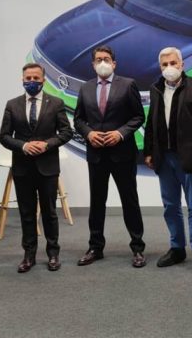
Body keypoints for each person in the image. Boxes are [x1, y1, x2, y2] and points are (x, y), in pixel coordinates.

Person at [143, 47, 192, 273]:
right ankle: (177, 248)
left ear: (182, 64)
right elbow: (151, 122)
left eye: (173, 63)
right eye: (164, 64)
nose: (169, 68)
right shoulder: (156, 89)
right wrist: (148, 151)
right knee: (170, 206)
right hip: (163, 157)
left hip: (190, 156)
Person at [73, 45, 147, 268]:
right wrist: (89, 133)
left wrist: (120, 133)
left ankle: (137, 247)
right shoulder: (85, 88)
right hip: (96, 155)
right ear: (93, 64)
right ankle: (95, 247)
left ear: (114, 63)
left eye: (106, 59)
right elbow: (78, 119)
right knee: (97, 202)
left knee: (129, 201)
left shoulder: (128, 84)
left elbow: (138, 116)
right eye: (98, 59)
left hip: (122, 154)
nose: (102, 63)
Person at [0, 63, 73, 273]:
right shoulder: (12, 104)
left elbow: (66, 133)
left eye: (36, 78)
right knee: (27, 213)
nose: (32, 81)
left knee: (50, 212)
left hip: (47, 167)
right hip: (22, 167)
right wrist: (23, 146)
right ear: (22, 80)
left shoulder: (56, 103)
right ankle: (29, 255)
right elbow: (4, 136)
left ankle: (53, 254)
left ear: (43, 80)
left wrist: (47, 144)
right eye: (28, 78)